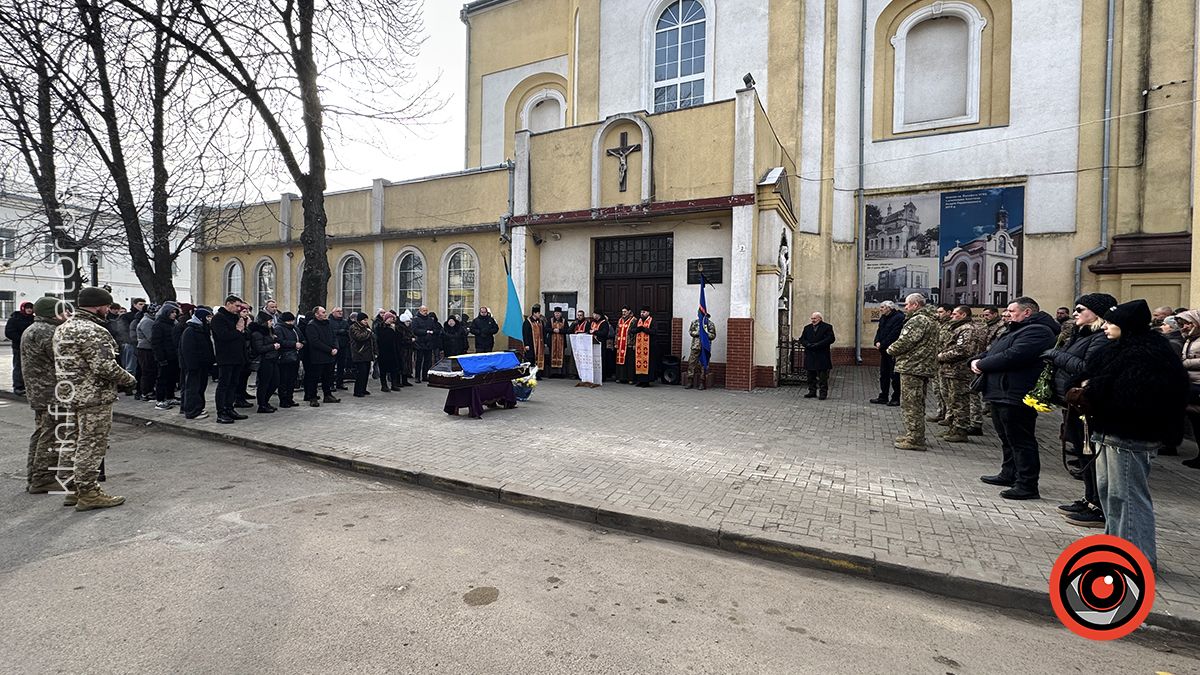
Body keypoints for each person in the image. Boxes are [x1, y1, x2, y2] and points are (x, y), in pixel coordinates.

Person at [1068, 300, 1188, 571]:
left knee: (1129, 496)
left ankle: (1138, 559)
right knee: (1109, 493)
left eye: (1112, 323)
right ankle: (1115, 547)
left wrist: (1093, 389)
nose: (1106, 327)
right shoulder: (1119, 349)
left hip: (1131, 433)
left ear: (1127, 326)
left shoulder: (1148, 355)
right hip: (1109, 430)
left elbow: (1131, 395)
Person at [52, 286, 138, 510]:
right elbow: (104, 366)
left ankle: (73, 489)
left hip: (69, 395)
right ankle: (89, 492)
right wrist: (129, 379)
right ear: (99, 306)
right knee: (92, 444)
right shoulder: (93, 330)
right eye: (107, 306)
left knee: (72, 442)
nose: (109, 310)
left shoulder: (63, 327)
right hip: (93, 397)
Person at [971, 297, 1059, 500]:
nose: (1006, 314)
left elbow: (1014, 355)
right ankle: (1009, 473)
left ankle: (1027, 484)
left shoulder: (1038, 331)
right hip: (1001, 391)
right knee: (1006, 437)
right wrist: (975, 360)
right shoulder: (1015, 329)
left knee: (1021, 440)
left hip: (1016, 392)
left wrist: (982, 365)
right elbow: (995, 351)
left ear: (1027, 312)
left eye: (1011, 311)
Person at [1044, 293, 1117, 528]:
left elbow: (1087, 367)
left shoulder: (1101, 338)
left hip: (1088, 403)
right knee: (1081, 451)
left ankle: (1098, 506)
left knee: (1089, 453)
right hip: (1074, 402)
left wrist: (1056, 355)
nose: (1075, 313)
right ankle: (1089, 498)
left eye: (1080, 309)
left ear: (1096, 313)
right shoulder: (1082, 334)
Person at [20, 297, 67, 494]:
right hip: (51, 391)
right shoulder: (48, 331)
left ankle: (34, 474)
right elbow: (63, 359)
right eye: (62, 312)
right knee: (52, 435)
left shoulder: (33, 329)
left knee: (41, 432)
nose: (66, 316)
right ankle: (43, 478)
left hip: (39, 390)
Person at [887, 294, 940, 451]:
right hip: (921, 366)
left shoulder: (918, 320)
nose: (905, 308)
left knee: (911, 404)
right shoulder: (931, 319)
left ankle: (915, 438)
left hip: (913, 366)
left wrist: (890, 349)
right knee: (917, 402)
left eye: (907, 305)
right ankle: (915, 433)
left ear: (916, 305)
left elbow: (906, 341)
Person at [935, 306, 982, 443]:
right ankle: (953, 427)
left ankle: (961, 429)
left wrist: (941, 356)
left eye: (955, 314)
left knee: (960, 401)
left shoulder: (967, 329)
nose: (952, 316)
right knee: (952, 400)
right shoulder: (956, 327)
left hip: (959, 371)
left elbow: (963, 350)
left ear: (963, 315)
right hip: (950, 370)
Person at [210, 296, 249, 423]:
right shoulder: (219, 318)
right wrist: (238, 330)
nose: (239, 309)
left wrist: (243, 329)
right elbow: (223, 336)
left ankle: (229, 408)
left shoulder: (236, 318)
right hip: (226, 357)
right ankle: (221, 412)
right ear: (228, 304)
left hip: (238, 356)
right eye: (237, 306)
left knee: (233, 384)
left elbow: (243, 337)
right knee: (224, 385)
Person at [179, 306, 215, 420]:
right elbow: (188, 351)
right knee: (192, 388)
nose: (209, 319)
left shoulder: (202, 329)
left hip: (202, 365)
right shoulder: (190, 331)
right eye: (207, 317)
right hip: (194, 366)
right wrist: (192, 366)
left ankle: (198, 407)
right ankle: (191, 411)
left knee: (200, 387)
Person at [1176, 309, 1200, 469]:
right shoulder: (1189, 339)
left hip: (1198, 386)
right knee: (1196, 423)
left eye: (1187, 323)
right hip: (1191, 385)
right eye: (1182, 324)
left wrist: (1183, 363)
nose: (1183, 327)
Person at [304, 306, 341, 405]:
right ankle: (312, 397)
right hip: (318, 356)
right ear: (316, 314)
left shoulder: (328, 324)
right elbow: (315, 342)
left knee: (328, 377)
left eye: (325, 312)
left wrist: (335, 348)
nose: (325, 314)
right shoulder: (311, 325)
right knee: (314, 378)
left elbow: (334, 337)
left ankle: (327, 395)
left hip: (330, 356)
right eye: (323, 312)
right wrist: (329, 350)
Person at [871, 301, 905, 406]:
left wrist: (883, 344)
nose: (880, 309)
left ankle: (896, 398)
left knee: (894, 375)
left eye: (882, 307)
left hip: (892, 350)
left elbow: (894, 334)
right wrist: (876, 341)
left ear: (889, 308)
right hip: (883, 350)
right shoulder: (883, 317)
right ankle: (883, 396)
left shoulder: (899, 318)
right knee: (883, 374)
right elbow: (879, 331)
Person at [150, 301, 181, 410]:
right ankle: (160, 400)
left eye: (175, 312)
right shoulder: (158, 324)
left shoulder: (173, 324)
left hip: (173, 355)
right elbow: (156, 343)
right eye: (172, 312)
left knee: (172, 378)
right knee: (162, 378)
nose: (174, 314)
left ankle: (170, 396)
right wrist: (160, 358)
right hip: (164, 356)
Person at [248, 311, 280, 413]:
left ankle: (266, 401)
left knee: (275, 381)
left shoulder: (270, 331)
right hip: (264, 360)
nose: (272, 323)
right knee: (264, 383)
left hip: (273, 359)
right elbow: (259, 348)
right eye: (270, 321)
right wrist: (273, 346)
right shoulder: (257, 333)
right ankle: (262, 404)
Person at [928, 304, 954, 424]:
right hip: (936, 362)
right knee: (937, 389)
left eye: (941, 312)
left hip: (946, 362)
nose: (938, 314)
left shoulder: (952, 326)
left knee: (946, 391)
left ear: (949, 312)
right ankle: (941, 412)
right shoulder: (938, 325)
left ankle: (950, 415)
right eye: (937, 312)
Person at [800, 312, 835, 400]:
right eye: (812, 318)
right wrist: (807, 344)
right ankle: (812, 391)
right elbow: (802, 339)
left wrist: (818, 344)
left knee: (822, 376)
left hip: (822, 355)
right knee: (810, 375)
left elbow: (830, 338)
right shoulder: (807, 328)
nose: (813, 320)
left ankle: (823, 393)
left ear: (820, 318)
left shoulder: (827, 327)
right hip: (810, 354)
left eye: (814, 319)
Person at [5, 300, 34, 395]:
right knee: (18, 366)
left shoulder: (33, 319)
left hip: (31, 347)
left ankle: (29, 386)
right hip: (18, 346)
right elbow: (9, 332)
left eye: (31, 308)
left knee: (31, 367)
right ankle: (18, 386)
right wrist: (21, 339)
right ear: (23, 308)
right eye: (27, 308)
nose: (29, 310)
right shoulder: (15, 319)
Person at [274, 312, 302, 407]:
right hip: (284, 357)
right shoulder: (279, 328)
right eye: (289, 321)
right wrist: (294, 344)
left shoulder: (295, 328)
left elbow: (301, 338)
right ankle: (283, 399)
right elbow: (280, 341)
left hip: (295, 356)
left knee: (292, 379)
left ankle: (290, 398)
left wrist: (302, 343)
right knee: (284, 380)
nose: (291, 322)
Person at [685, 309, 717, 390]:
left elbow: (713, 335)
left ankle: (702, 382)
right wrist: (699, 333)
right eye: (699, 313)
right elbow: (691, 332)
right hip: (695, 346)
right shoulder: (695, 322)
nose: (700, 315)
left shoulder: (710, 324)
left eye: (702, 313)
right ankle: (690, 381)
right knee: (691, 363)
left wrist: (705, 334)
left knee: (704, 365)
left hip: (705, 348)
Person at [349, 311, 377, 397]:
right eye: (364, 320)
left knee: (366, 373)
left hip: (367, 353)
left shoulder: (365, 327)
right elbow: (359, 337)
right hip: (359, 353)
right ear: (360, 320)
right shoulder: (354, 327)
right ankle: (357, 391)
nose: (366, 321)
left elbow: (372, 339)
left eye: (366, 320)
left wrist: (375, 351)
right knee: (361, 373)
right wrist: (368, 332)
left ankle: (363, 389)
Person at [134, 303, 158, 404]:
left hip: (147, 349)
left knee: (150, 371)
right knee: (147, 371)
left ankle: (148, 390)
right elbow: (151, 337)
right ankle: (146, 392)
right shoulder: (147, 322)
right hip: (145, 349)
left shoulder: (149, 320)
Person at [411, 305, 441, 382]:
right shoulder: (416, 319)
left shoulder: (430, 320)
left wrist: (432, 331)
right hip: (420, 343)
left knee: (427, 361)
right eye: (424, 311)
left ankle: (425, 376)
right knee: (419, 361)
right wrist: (426, 331)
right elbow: (415, 330)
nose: (426, 312)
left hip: (429, 343)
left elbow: (434, 328)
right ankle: (417, 377)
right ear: (420, 311)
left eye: (426, 310)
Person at [116, 299, 144, 378]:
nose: (142, 306)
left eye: (143, 304)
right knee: (130, 365)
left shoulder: (142, 316)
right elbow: (122, 329)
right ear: (134, 305)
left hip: (139, 343)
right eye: (140, 304)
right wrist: (128, 340)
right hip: (130, 343)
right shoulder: (127, 316)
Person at [375, 312, 402, 392]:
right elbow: (382, 338)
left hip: (393, 351)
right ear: (386, 319)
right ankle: (384, 385)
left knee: (394, 369)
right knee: (383, 369)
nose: (392, 320)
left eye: (393, 319)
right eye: (390, 318)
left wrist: (394, 330)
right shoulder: (380, 327)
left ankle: (394, 384)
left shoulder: (394, 327)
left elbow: (399, 337)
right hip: (383, 351)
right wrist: (391, 331)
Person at [330, 307, 351, 391]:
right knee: (331, 367)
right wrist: (340, 331)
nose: (340, 313)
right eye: (338, 311)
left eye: (341, 311)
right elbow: (330, 332)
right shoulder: (329, 322)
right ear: (333, 313)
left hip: (343, 346)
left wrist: (344, 332)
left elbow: (348, 331)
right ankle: (330, 384)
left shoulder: (345, 322)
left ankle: (340, 383)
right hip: (333, 347)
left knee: (341, 366)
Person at [633, 306, 655, 387]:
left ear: (648, 313)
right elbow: (632, 330)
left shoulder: (652, 321)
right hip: (639, 347)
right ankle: (639, 380)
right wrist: (638, 329)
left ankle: (646, 382)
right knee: (638, 363)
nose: (642, 314)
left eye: (644, 312)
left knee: (647, 364)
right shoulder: (638, 321)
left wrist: (644, 329)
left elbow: (654, 331)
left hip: (649, 347)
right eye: (641, 312)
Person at [544, 307, 569, 377]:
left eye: (558, 313)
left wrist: (560, 331)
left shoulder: (564, 321)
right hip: (552, 342)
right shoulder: (550, 320)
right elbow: (546, 329)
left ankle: (561, 373)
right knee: (551, 357)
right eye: (556, 313)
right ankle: (552, 373)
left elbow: (568, 330)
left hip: (561, 343)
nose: (557, 314)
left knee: (562, 357)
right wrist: (553, 330)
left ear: (561, 314)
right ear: (554, 313)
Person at [521, 304, 547, 374]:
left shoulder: (540, 322)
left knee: (538, 359)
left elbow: (543, 332)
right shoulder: (527, 322)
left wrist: (544, 342)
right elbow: (525, 334)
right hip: (531, 344)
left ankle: (537, 374)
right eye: (538, 313)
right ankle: (529, 373)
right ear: (534, 313)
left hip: (539, 344)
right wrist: (526, 344)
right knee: (531, 359)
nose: (539, 314)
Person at [613, 306, 636, 384]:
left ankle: (630, 378)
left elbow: (636, 333)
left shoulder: (633, 320)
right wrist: (616, 342)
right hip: (620, 344)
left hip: (629, 344)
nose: (623, 313)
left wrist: (634, 343)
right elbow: (617, 332)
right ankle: (620, 377)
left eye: (625, 311)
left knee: (629, 362)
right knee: (619, 361)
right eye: (622, 311)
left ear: (629, 312)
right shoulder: (620, 320)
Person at [396, 311, 416, 387]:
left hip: (408, 349)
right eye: (407, 321)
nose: (409, 323)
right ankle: (398, 381)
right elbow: (401, 339)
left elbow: (413, 335)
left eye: (409, 321)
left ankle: (405, 380)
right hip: (401, 349)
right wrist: (410, 340)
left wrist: (413, 339)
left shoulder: (408, 328)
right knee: (401, 365)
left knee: (407, 365)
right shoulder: (400, 329)